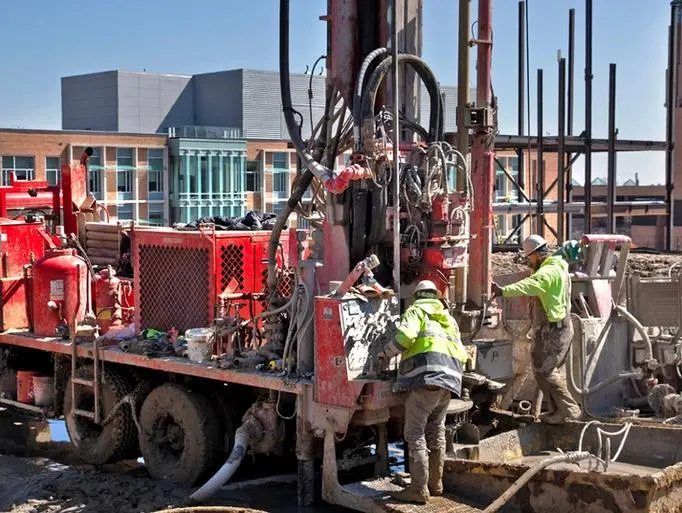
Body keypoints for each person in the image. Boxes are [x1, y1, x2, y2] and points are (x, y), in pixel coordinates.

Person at [378, 280, 468, 504]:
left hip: (426, 381)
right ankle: (436, 484)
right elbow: (462, 353)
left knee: (415, 433)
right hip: (449, 382)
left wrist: (385, 354)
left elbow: (405, 338)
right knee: (436, 430)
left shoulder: (416, 310)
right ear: (435, 296)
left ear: (417, 296)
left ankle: (418, 489)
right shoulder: (447, 318)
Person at [492, 234, 582, 425]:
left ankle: (571, 410)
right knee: (540, 370)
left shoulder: (547, 273)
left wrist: (502, 291)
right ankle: (557, 412)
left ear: (538, 255)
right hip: (551, 328)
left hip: (555, 329)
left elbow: (529, 285)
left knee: (547, 371)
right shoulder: (557, 262)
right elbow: (565, 251)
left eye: (529, 257)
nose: (528, 261)